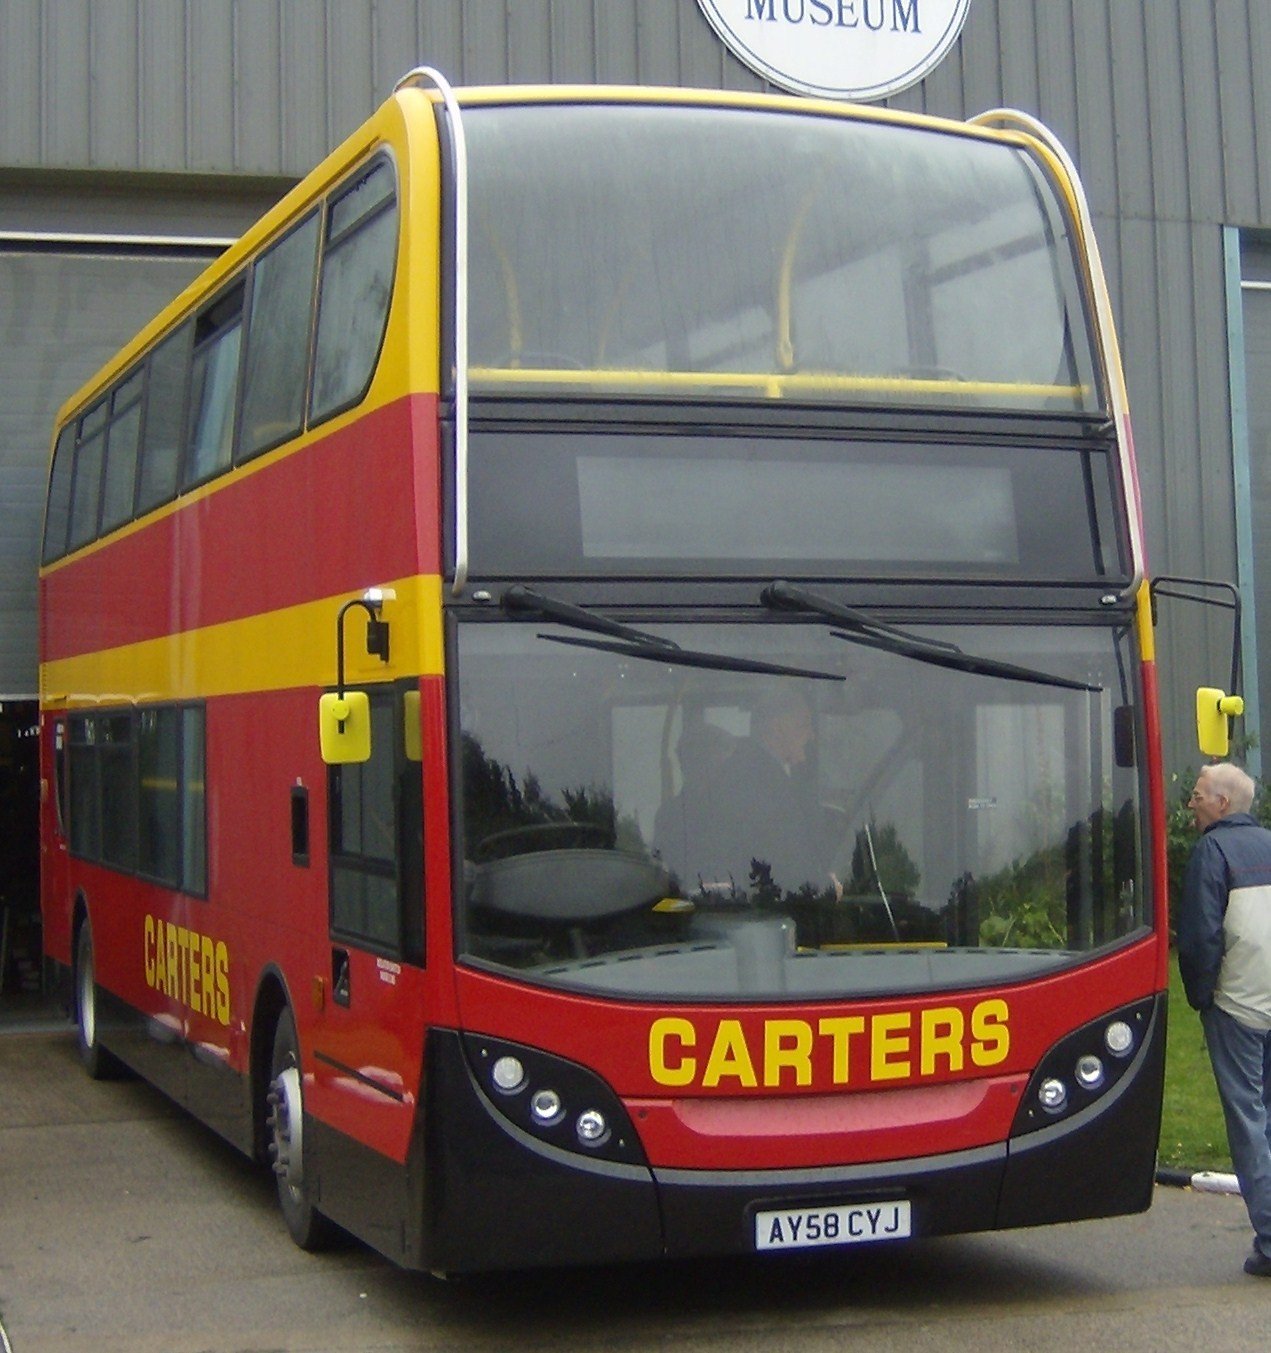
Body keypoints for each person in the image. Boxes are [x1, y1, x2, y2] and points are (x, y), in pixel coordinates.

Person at [1176, 762, 1271, 1278]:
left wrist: (1201, 997)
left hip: (1237, 1006)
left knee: (1249, 1122)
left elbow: (1199, 937)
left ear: (1222, 804)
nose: (1190, 805)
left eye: (1197, 796)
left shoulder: (1213, 852)